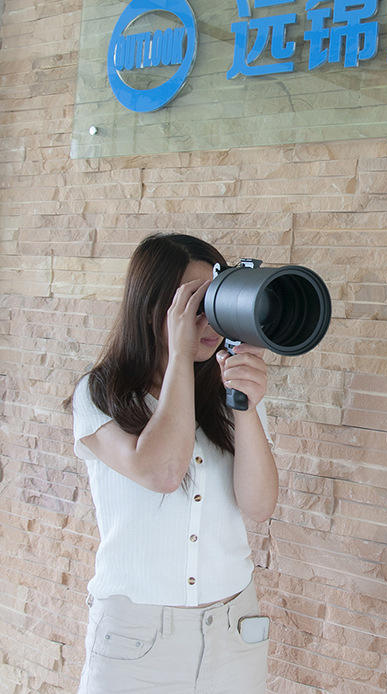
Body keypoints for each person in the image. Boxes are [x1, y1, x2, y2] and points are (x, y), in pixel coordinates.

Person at [70, 233, 278, 694]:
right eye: (194, 304)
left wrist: (245, 406)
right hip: (135, 641)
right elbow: (162, 473)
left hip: (233, 632)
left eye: (217, 302)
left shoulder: (226, 393)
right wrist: (181, 354)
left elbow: (259, 506)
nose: (209, 321)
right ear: (152, 308)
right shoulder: (100, 394)